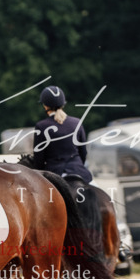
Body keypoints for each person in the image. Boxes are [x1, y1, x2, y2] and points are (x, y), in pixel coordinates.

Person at [25, 85, 101, 256]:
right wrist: (77, 166)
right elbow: (83, 153)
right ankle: (120, 245)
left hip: (55, 175)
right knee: (104, 198)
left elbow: (39, 159)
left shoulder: (42, 126)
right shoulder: (76, 123)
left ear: (45, 105)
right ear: (63, 103)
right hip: (79, 172)